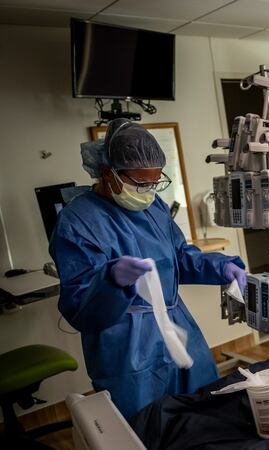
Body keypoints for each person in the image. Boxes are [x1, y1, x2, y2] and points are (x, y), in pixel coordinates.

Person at [50, 119, 247, 418]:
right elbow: (80, 307)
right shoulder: (77, 222)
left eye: (155, 183)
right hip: (125, 345)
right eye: (141, 183)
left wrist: (222, 267)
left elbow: (179, 255)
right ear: (109, 174)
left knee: (206, 410)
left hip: (177, 326)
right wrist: (111, 281)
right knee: (146, 425)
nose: (148, 191)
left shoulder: (152, 206)